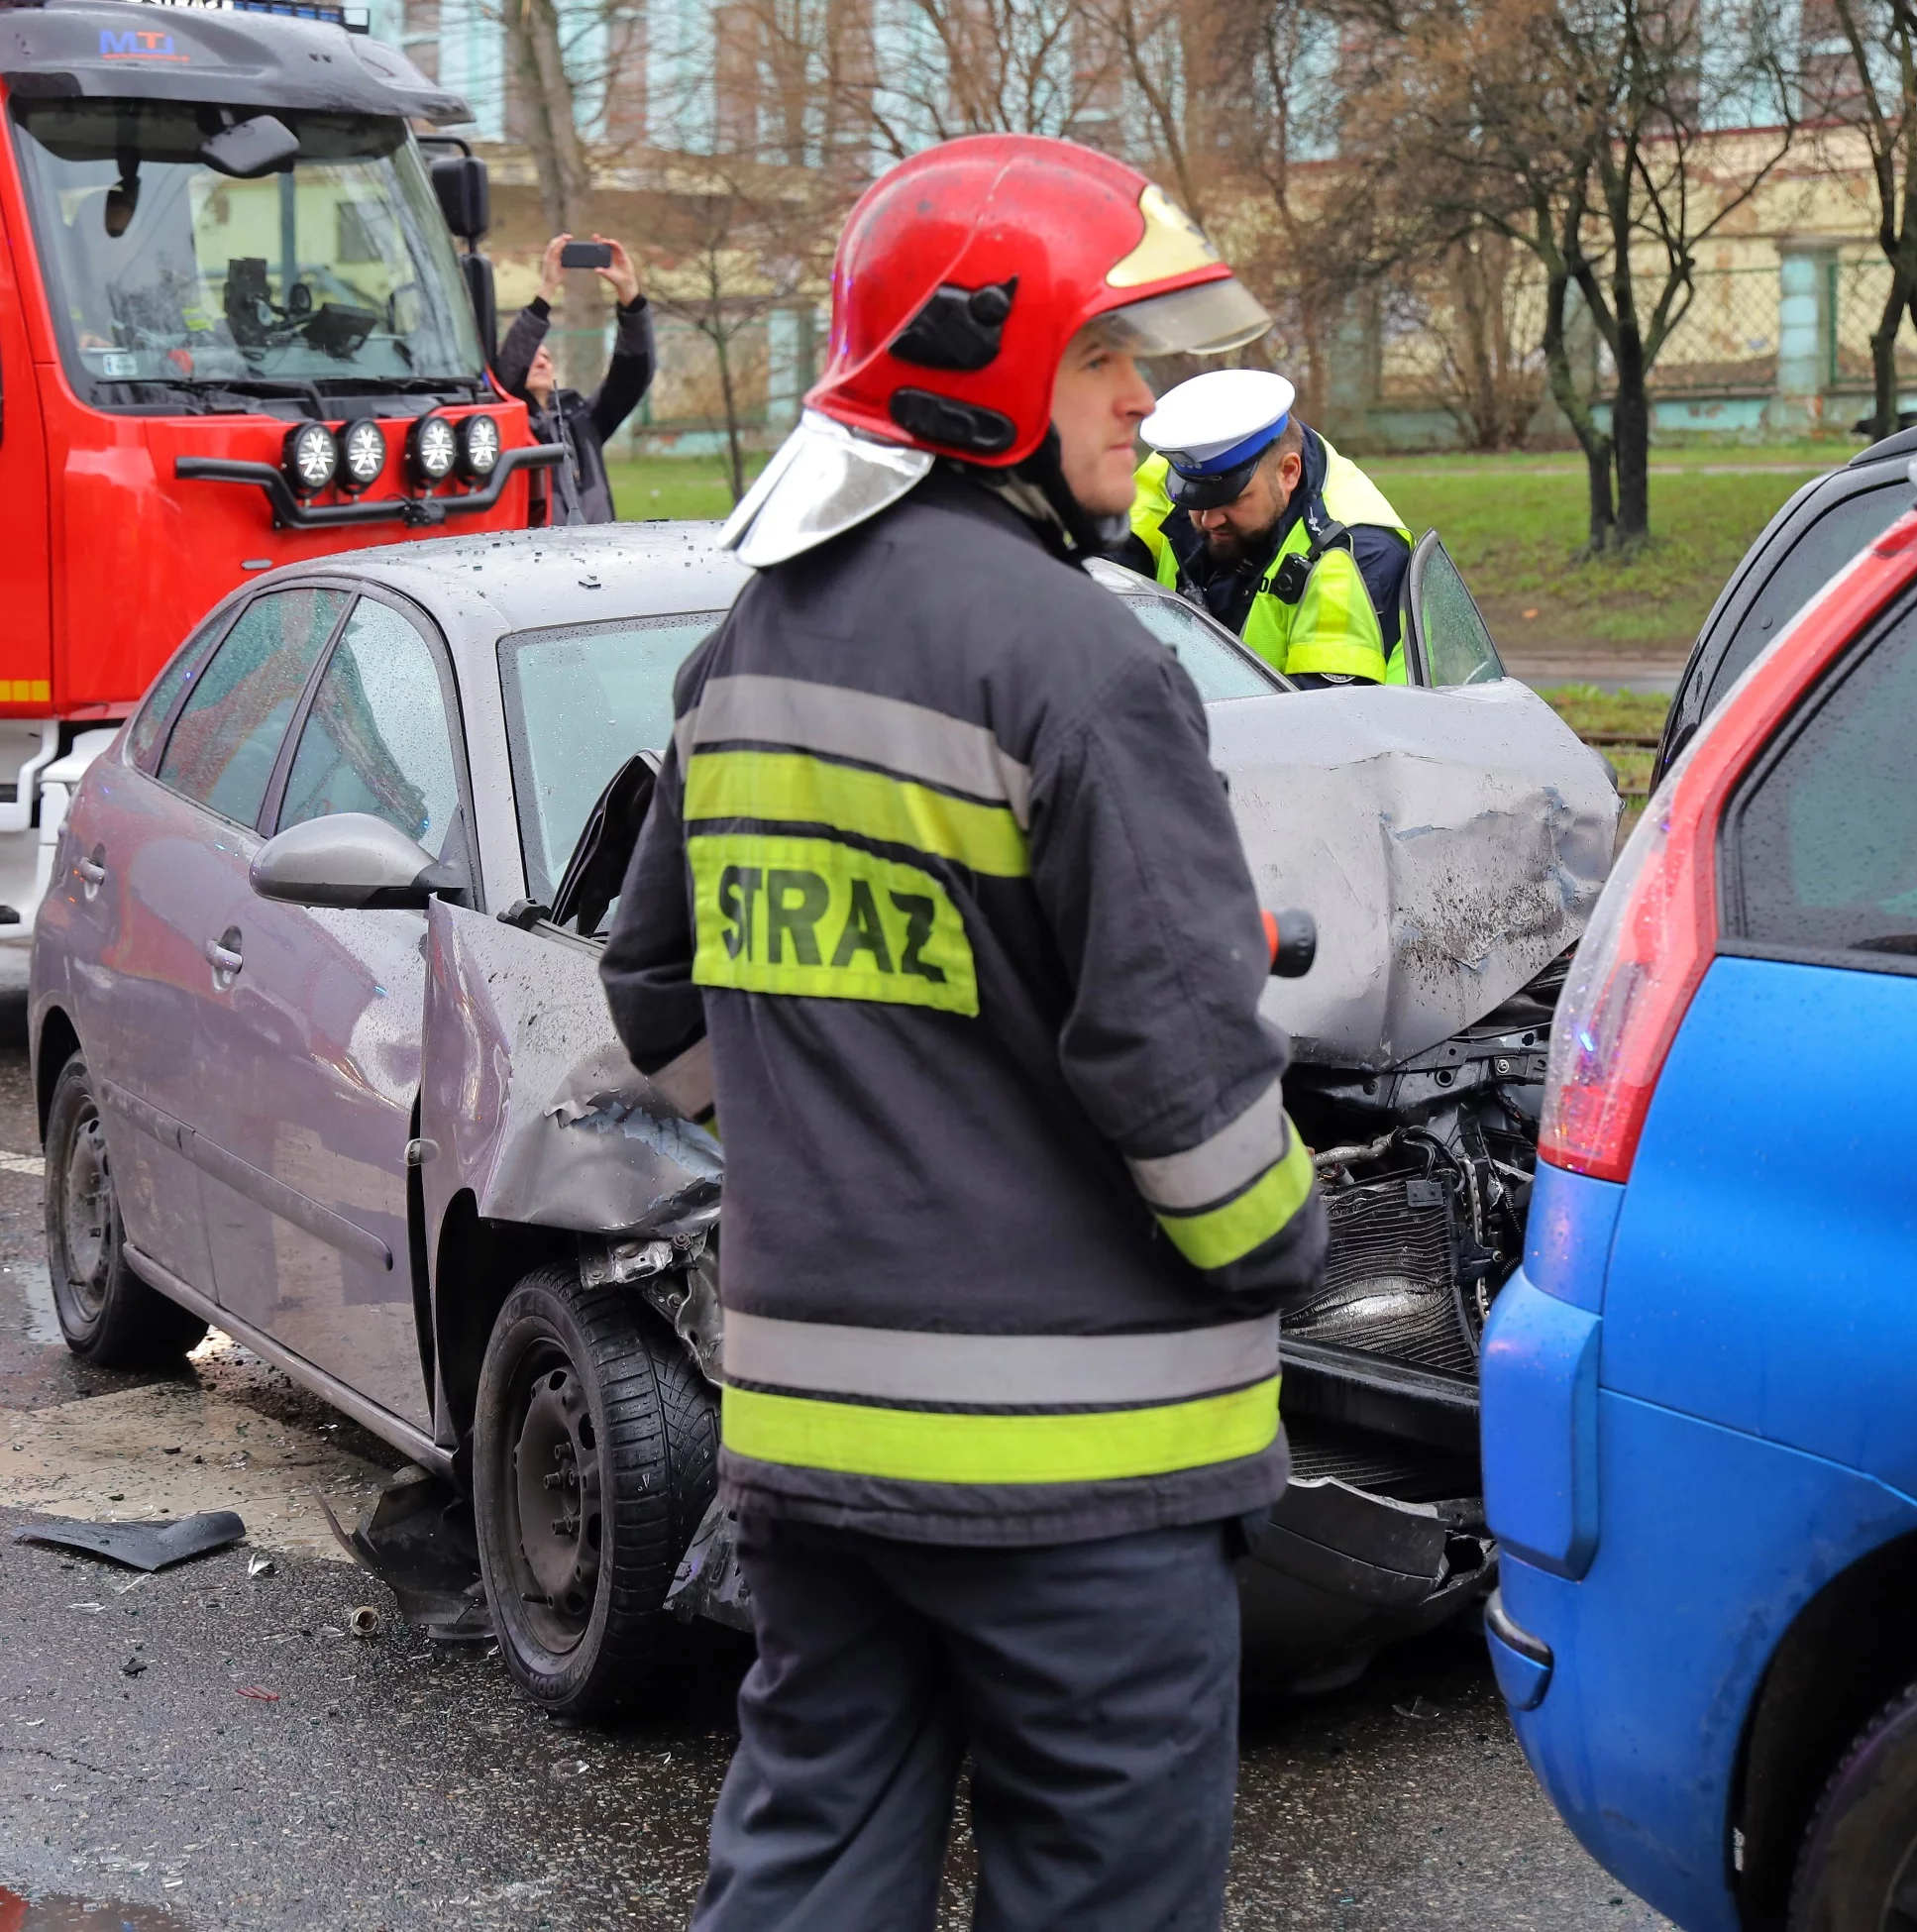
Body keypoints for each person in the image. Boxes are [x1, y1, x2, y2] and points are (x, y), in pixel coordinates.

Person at [596, 136, 1328, 1932]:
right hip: (1084, 1487)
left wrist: (823, 1130)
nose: (1141, 407)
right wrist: (1285, 1249)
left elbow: (653, 991)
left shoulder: (745, 652)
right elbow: (1176, 1085)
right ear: (988, 369)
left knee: (809, 1875)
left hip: (815, 1451)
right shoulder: (1085, 664)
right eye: (1107, 359)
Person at [1121, 367, 1415, 685]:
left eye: (1232, 499)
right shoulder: (1181, 471)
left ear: (1289, 472)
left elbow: (1325, 720)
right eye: (1193, 499)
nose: (1209, 519)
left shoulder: (1351, 556)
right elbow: (1104, 573)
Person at [494, 233, 655, 524]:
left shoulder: (582, 419)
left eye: (547, 356)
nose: (541, 359)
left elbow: (632, 375)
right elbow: (509, 370)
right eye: (534, 354)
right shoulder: (507, 426)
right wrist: (548, 288)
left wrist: (630, 298)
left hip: (597, 556)